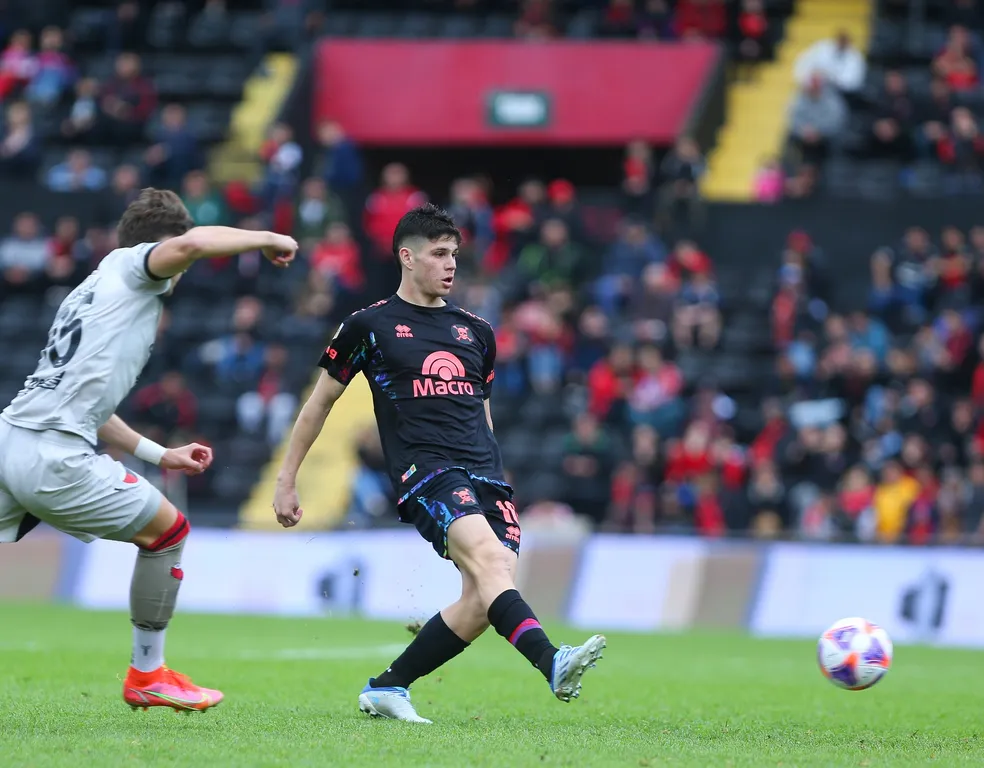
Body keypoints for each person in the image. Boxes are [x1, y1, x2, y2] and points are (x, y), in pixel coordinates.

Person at [273, 204, 605, 724]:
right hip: (426, 472)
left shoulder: (476, 331)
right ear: (407, 257)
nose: (451, 264)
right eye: (439, 253)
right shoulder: (369, 325)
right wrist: (286, 478)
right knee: (495, 569)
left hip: (485, 475)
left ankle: (388, 687)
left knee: (480, 599)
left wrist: (498, 480)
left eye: (455, 253)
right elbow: (319, 405)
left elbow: (482, 414)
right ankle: (552, 661)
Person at [0, 188, 298, 712]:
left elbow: (89, 406)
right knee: (168, 531)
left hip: (12, 439)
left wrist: (162, 455)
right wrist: (267, 237)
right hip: (51, 455)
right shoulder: (137, 268)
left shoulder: (92, 289)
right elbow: (193, 246)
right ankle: (146, 673)